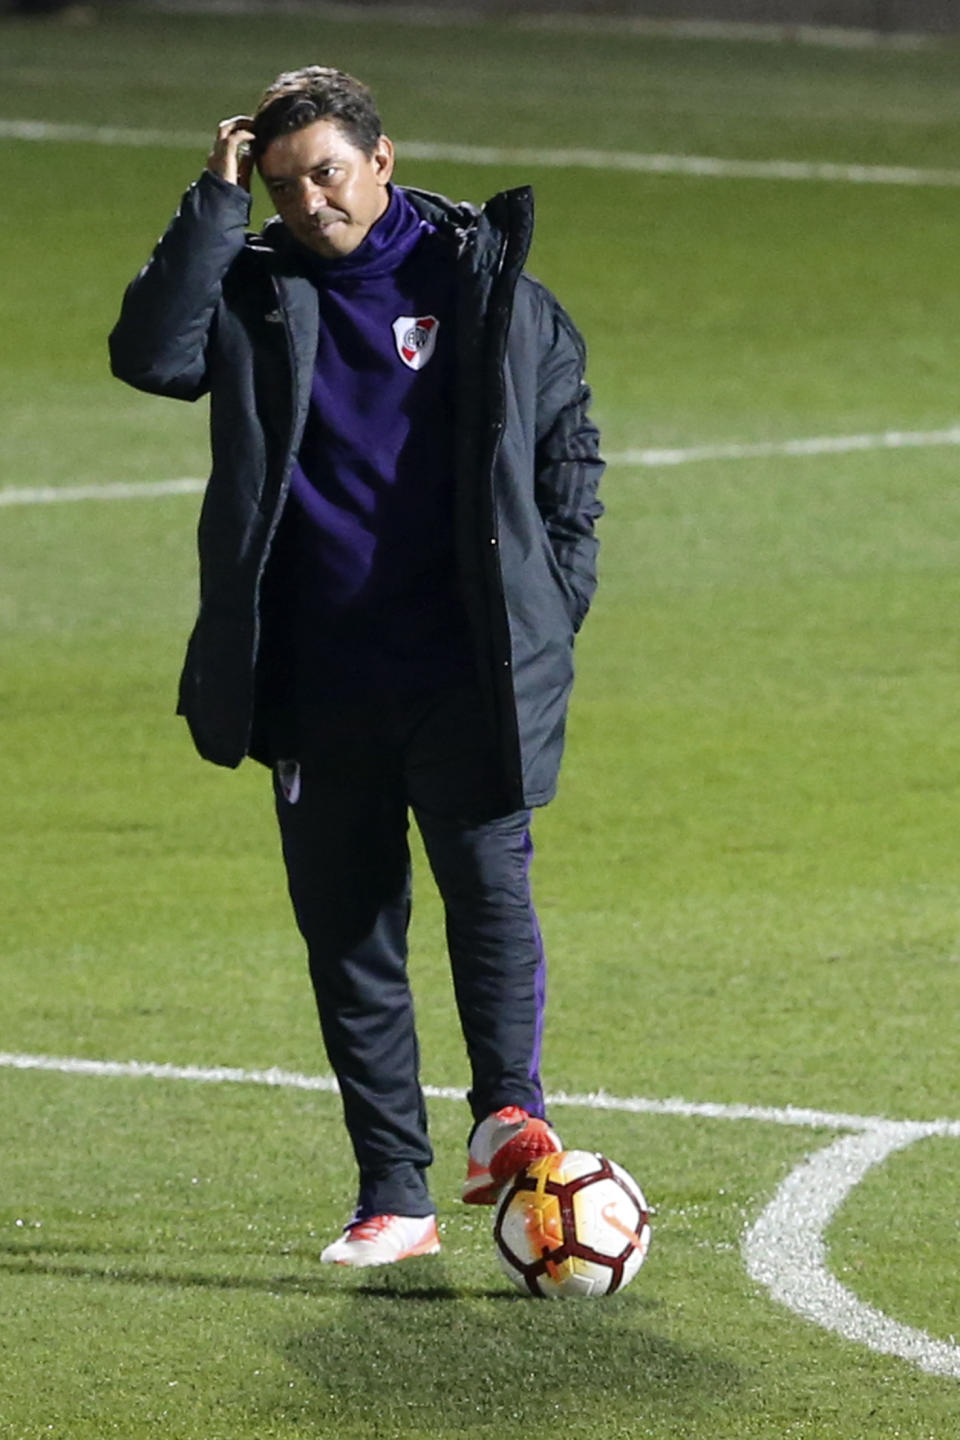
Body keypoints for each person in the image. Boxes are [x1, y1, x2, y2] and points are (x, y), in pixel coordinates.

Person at [109, 66, 604, 1268]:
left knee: (489, 893)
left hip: (460, 669)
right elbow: (148, 353)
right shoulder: (253, 293)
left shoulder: (488, 290)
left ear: (383, 159)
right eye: (283, 186)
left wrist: (548, 610)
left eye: (327, 172)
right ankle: (398, 1196)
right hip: (315, 678)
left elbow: (568, 458)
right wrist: (215, 203)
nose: (310, 202)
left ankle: (507, 1117)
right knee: (351, 935)